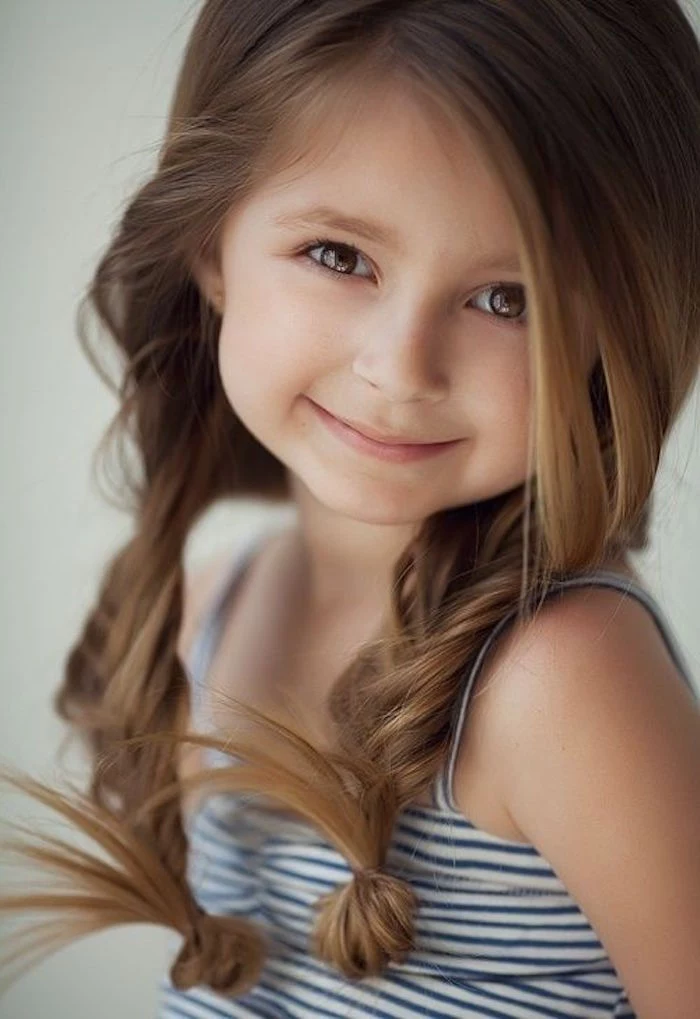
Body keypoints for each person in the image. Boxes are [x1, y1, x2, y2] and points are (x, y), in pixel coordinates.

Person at [1, 0, 700, 1015]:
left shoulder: (555, 671)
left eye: (508, 299)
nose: (400, 368)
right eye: (339, 255)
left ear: (617, 329)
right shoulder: (215, 604)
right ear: (210, 246)